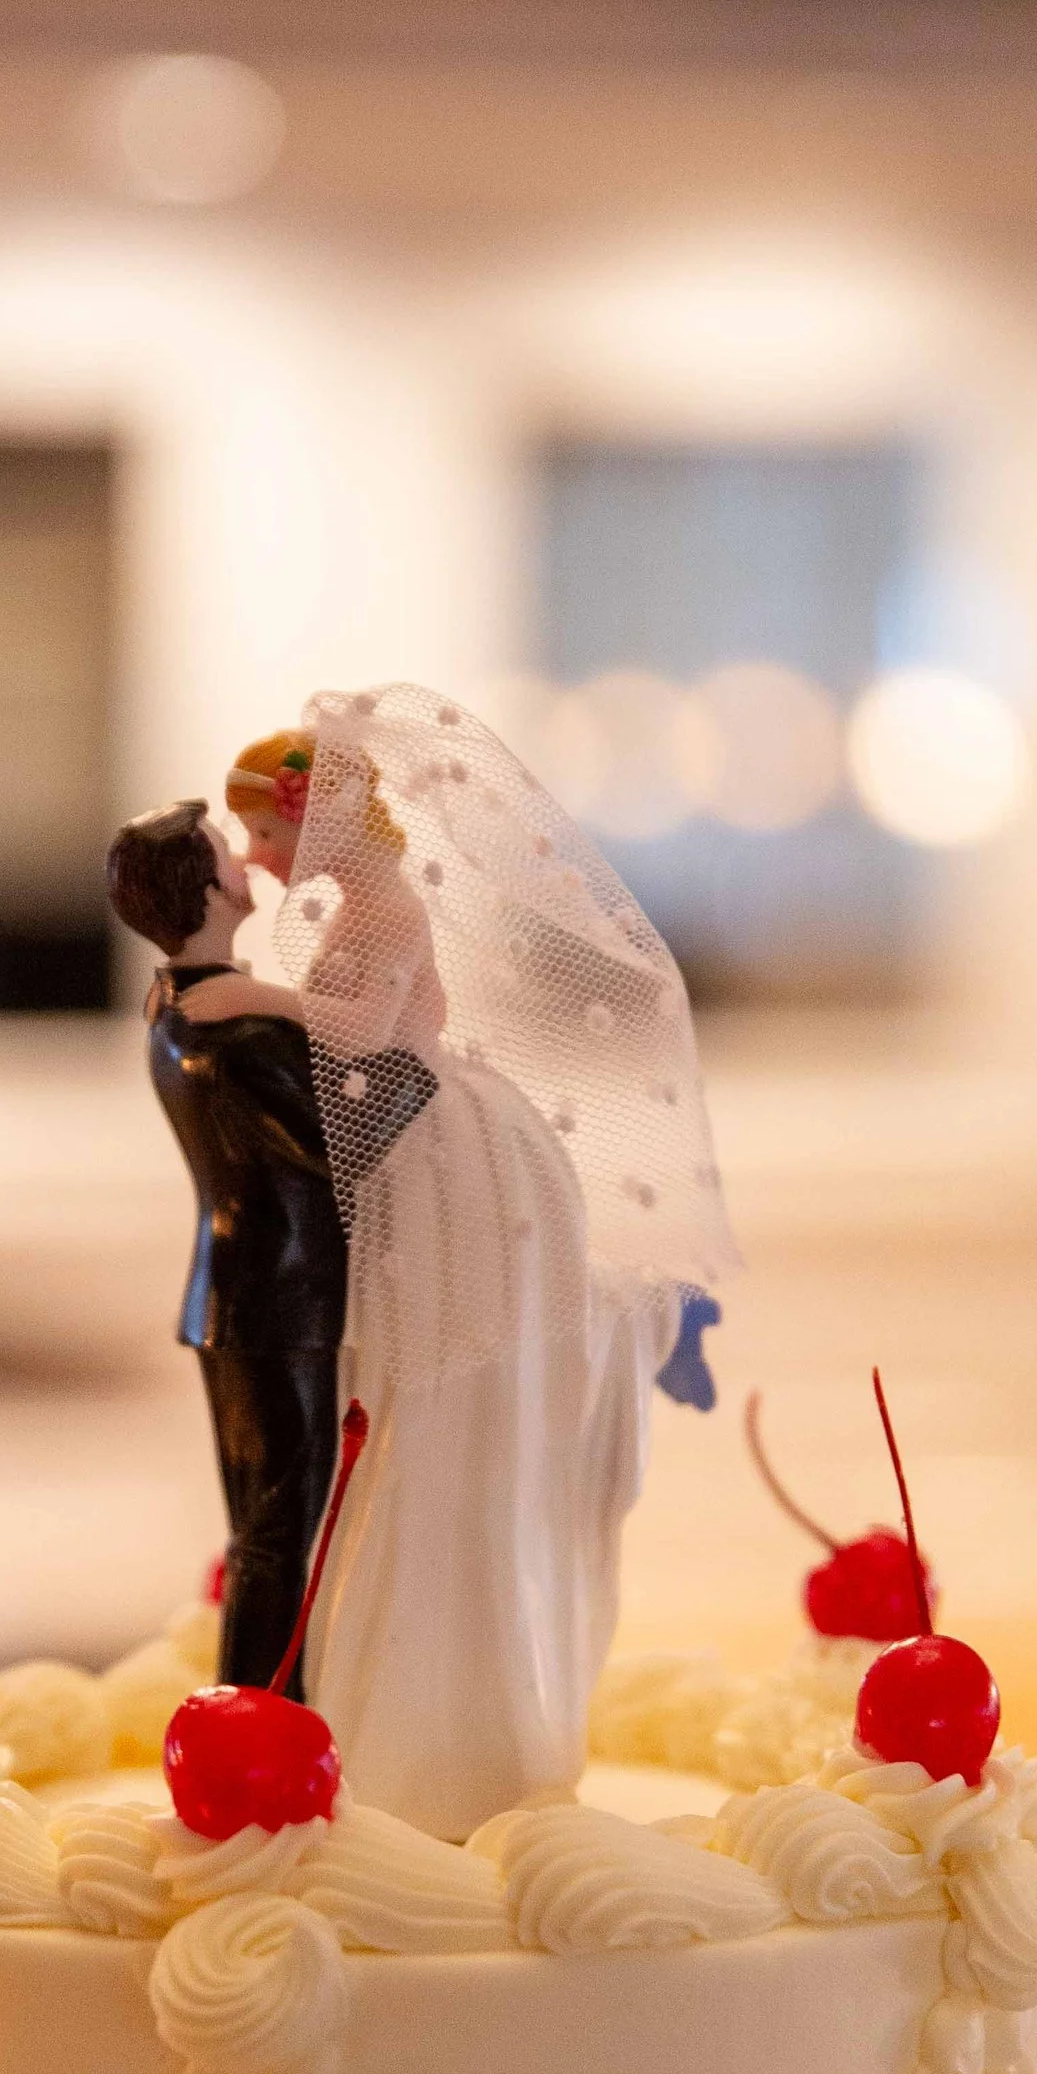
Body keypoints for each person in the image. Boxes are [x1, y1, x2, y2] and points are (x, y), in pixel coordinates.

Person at [178, 689, 736, 1840]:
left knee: (433, 1401)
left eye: (262, 834)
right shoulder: (363, 903)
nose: (251, 857)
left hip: (441, 1163)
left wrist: (241, 996)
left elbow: (359, 1036)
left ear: (309, 828)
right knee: (399, 1404)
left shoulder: (379, 911)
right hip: (413, 1149)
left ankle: (442, 1737)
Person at [106, 797, 348, 1699]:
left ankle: (261, 1708)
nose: (247, 860)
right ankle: (261, 1711)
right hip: (278, 1301)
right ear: (206, 889)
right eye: (227, 852)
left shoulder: (175, 1006)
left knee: (272, 1524)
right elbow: (352, 1138)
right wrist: (412, 1047)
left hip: (245, 1295)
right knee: (284, 1526)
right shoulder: (236, 1032)